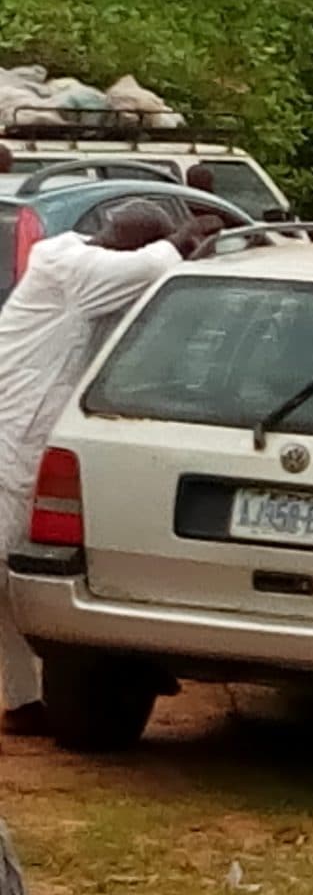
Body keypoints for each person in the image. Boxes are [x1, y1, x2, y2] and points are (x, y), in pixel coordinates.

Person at [0, 202, 222, 735]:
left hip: (32, 436)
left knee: (9, 574)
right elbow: (148, 268)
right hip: (13, 436)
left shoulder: (85, 266)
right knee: (14, 571)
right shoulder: (70, 268)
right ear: (125, 243)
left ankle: (31, 697)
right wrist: (185, 237)